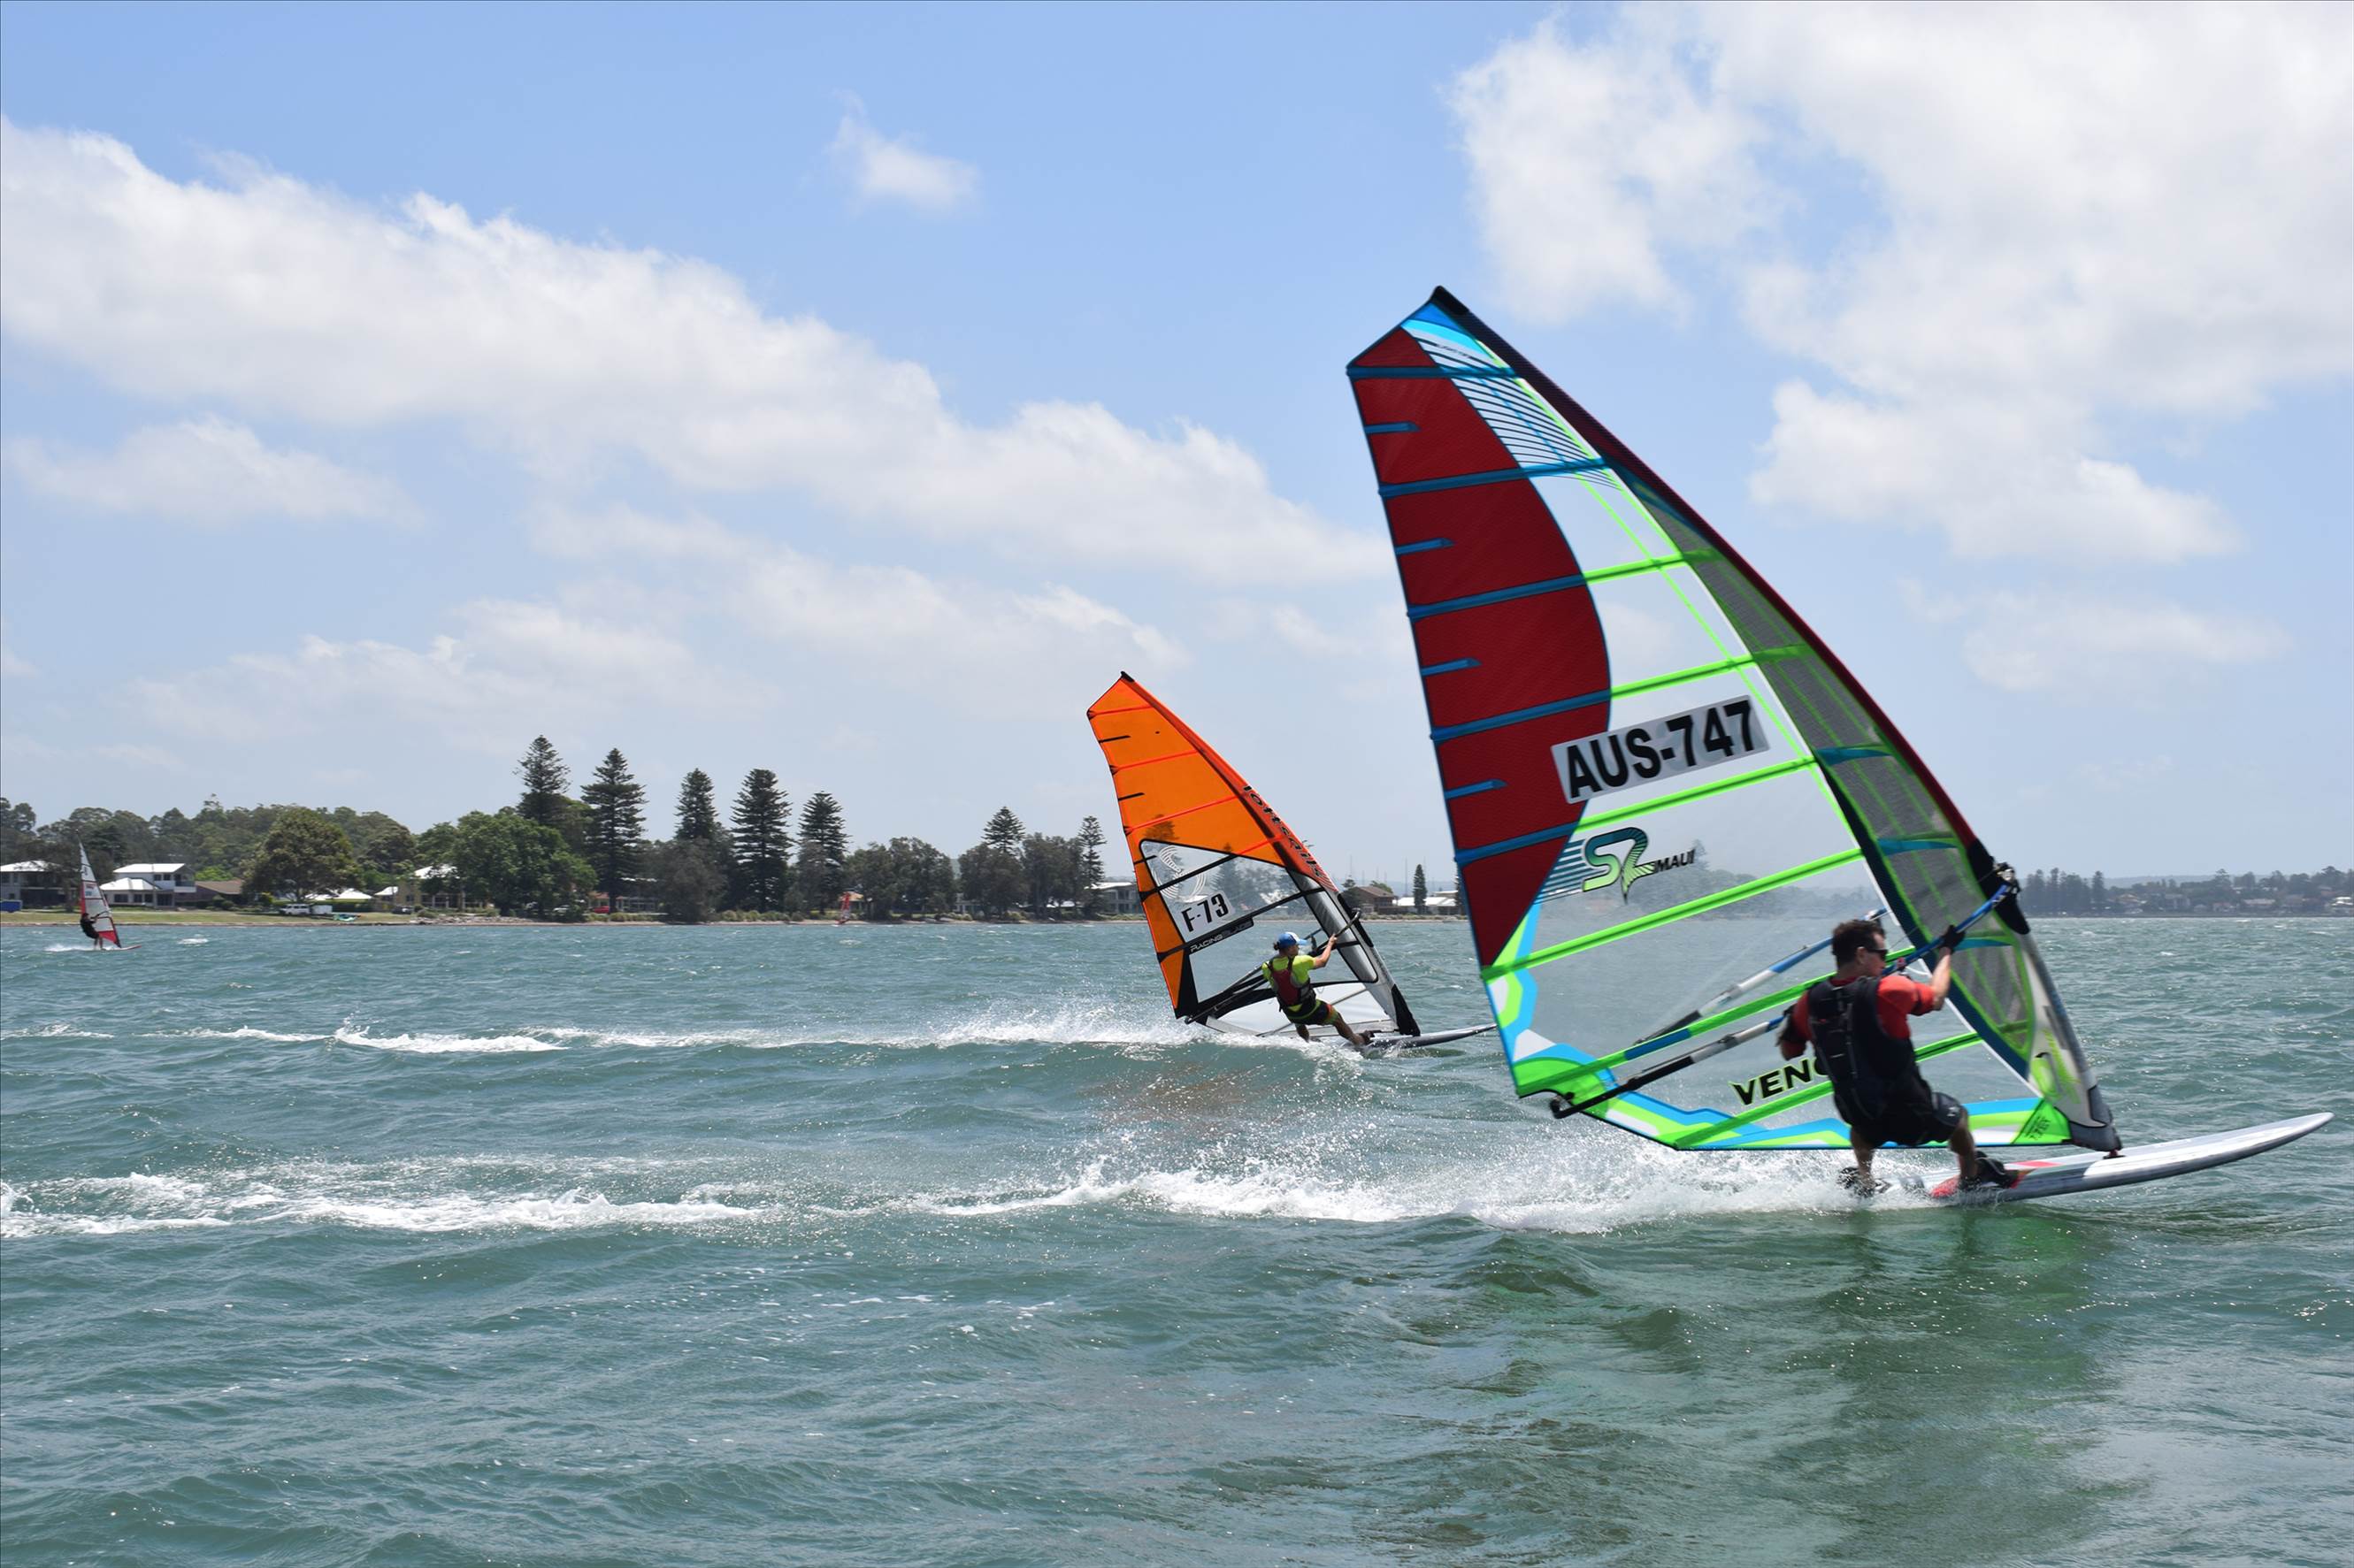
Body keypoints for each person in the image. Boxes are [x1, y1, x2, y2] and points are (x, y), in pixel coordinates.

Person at [1775, 917, 2016, 1194]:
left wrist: (1794, 1020)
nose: (1885, 960)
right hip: (1912, 1117)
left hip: (1862, 1116)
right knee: (1959, 1118)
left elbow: (1789, 1051)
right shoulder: (1890, 989)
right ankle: (1971, 1176)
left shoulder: (1810, 1002)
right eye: (1882, 954)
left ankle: (1865, 1180)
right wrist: (1947, 950)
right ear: (1861, 954)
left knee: (1859, 1127)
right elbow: (1937, 997)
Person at [1262, 930, 1374, 1050]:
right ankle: (1358, 1042)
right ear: (1290, 948)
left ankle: (1306, 1042)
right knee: (1337, 1019)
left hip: (1291, 1014)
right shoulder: (1300, 961)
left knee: (1299, 1021)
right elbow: (1323, 961)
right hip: (1310, 1009)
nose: (1298, 948)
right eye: (1296, 946)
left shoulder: (1267, 966)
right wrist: (1330, 944)